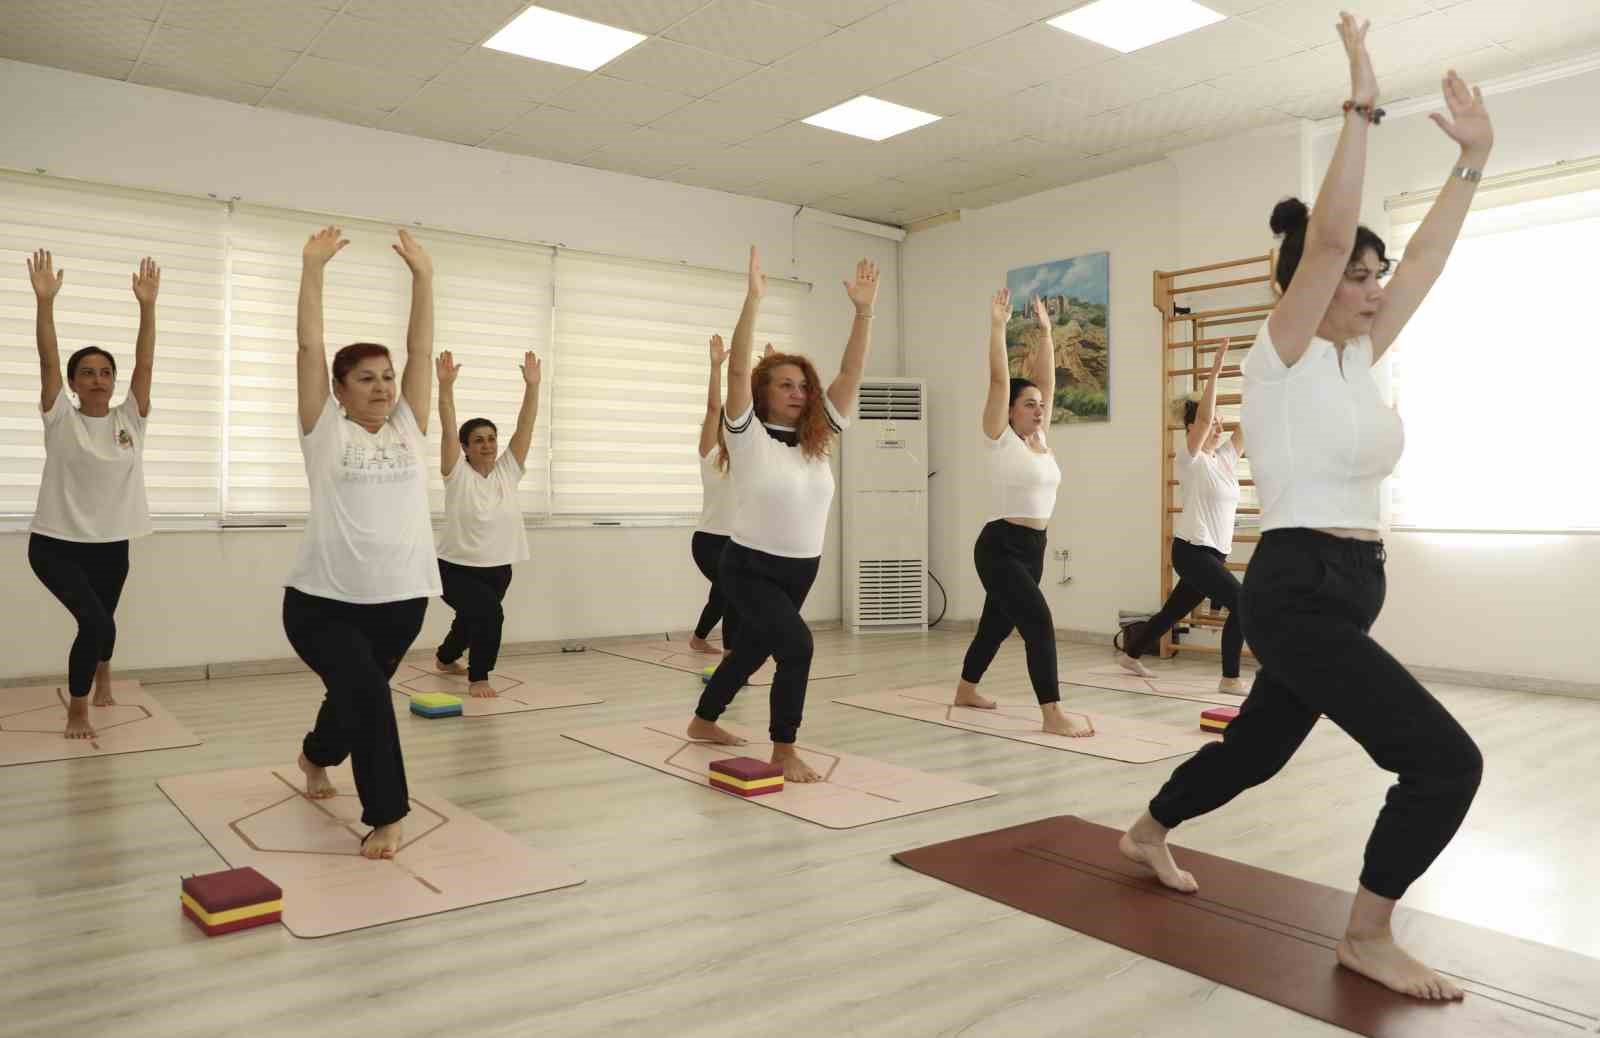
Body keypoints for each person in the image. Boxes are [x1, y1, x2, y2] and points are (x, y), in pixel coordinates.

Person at [1119, 15, 1493, 1002]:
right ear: (1306, 287)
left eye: (1374, 275)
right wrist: (1360, 106)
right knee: (1443, 762)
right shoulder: (1277, 357)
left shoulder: (1357, 356)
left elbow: (1426, 263)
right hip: (1295, 587)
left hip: (1351, 583)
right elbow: (1327, 238)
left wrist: (1474, 159)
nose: (1373, 288)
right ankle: (1366, 935)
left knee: (1255, 750)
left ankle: (1148, 828)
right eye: (1355, 276)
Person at [688, 247, 878, 782]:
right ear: (763, 392)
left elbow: (852, 370)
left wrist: (864, 312)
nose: (797, 392)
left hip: (801, 567)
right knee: (797, 646)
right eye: (784, 384)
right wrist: (753, 300)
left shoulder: (819, 438)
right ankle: (784, 747)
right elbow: (738, 369)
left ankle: (703, 720)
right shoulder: (747, 436)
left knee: (751, 651)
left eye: (802, 385)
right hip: (749, 565)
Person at [285, 225, 439, 860]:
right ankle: (387, 816)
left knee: (353, 699)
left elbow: (421, 351)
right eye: (366, 378)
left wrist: (424, 277)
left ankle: (315, 754)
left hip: (402, 601)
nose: (382, 387)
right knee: (371, 697)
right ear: (340, 389)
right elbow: (308, 346)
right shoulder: (325, 432)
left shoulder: (409, 429)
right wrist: (313, 268)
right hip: (323, 603)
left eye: (387, 378)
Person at [26, 250, 160, 740]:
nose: (97, 379)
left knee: (106, 621)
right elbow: (47, 357)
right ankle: (77, 709)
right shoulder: (61, 418)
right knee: (96, 623)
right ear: (73, 383)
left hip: (110, 544)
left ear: (113, 381)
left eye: (105, 372)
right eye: (87, 372)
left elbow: (146, 361)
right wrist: (45, 302)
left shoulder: (130, 421)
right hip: (55, 545)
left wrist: (147, 306)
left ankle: (104, 676)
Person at [952, 290, 1092, 737]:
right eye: (1028, 405)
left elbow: (1047, 385)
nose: (1038, 409)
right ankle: (1052, 714)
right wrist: (998, 327)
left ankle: (965, 690)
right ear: (1009, 410)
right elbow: (999, 380)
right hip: (1000, 547)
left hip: (1034, 548)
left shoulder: (1040, 439)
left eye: (1039, 406)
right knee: (1038, 623)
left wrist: (1047, 333)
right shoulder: (999, 438)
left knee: (996, 625)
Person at [1119, 341, 1247, 692]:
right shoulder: (1191, 459)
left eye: (1220, 423)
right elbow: (1204, 418)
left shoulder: (1225, 459)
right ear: (1193, 428)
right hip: (1192, 551)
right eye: (1211, 423)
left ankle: (1131, 654)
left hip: (1213, 554)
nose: (1217, 427)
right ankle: (1230, 678)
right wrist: (1215, 372)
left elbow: (1249, 424)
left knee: (1172, 612)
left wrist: (1267, 381)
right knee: (1242, 603)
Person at [432, 349, 539, 697]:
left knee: (471, 617)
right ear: (464, 447)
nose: (487, 445)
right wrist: (445, 387)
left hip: (498, 568)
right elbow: (448, 426)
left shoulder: (508, 470)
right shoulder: (456, 473)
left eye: (491, 438)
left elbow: (525, 426)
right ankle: (479, 676)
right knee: (489, 615)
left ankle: (446, 657)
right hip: (454, 568)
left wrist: (532, 386)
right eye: (478, 440)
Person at [688, 333, 737, 655]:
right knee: (734, 591)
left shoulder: (750, 458)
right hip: (708, 541)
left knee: (726, 592)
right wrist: (716, 367)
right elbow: (712, 408)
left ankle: (698, 639)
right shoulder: (711, 453)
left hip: (739, 541)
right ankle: (733, 655)